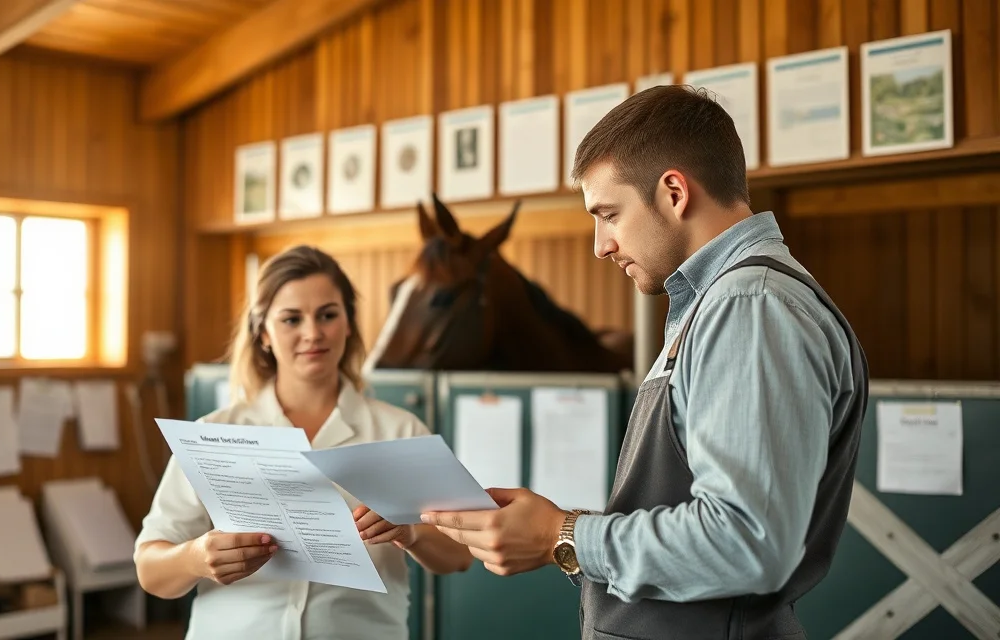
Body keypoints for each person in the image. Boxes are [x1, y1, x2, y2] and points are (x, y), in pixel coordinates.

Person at [420, 84, 869, 639]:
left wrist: (562, 535)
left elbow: (747, 543)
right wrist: (553, 534)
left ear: (674, 192)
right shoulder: (717, 303)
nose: (600, 245)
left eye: (609, 213)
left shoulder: (747, 305)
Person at [133, 245, 474, 640]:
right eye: (292, 319)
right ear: (263, 332)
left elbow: (460, 556)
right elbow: (149, 568)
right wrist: (194, 558)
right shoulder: (215, 433)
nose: (313, 333)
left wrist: (409, 533)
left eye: (328, 315)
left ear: (349, 323)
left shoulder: (400, 430)